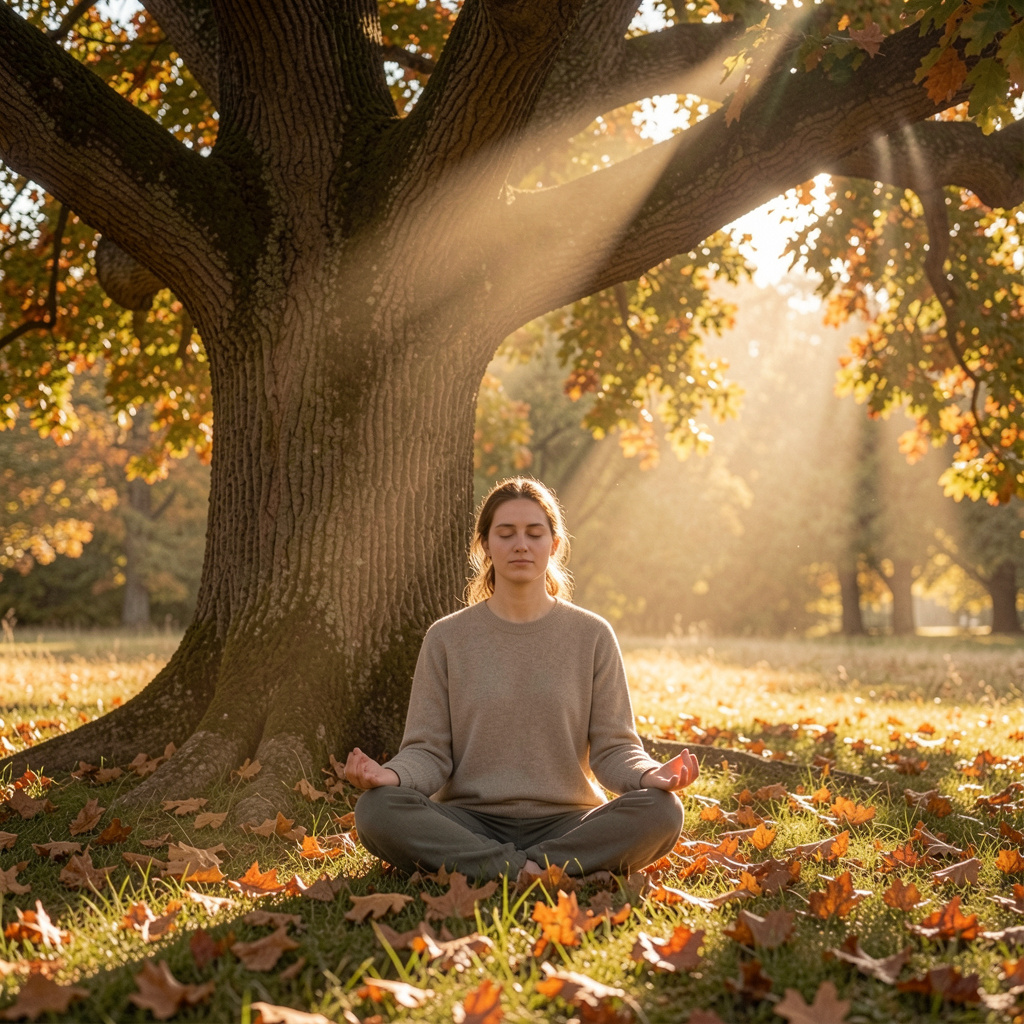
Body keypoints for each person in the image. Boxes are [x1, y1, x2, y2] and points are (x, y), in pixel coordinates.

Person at [345, 477, 699, 881]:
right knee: (376, 809)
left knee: (662, 810)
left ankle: (504, 868)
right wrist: (390, 776)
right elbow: (428, 752)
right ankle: (539, 871)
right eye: (506, 533)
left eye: (535, 533)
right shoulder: (446, 638)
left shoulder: (592, 635)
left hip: (569, 822)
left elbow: (614, 748)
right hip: (468, 822)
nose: (521, 545)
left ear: (555, 544)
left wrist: (648, 775)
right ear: (485, 546)